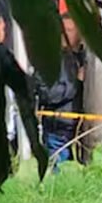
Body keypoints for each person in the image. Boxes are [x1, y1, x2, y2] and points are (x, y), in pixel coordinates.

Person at [37, 14, 86, 163]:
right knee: (58, 178)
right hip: (58, 130)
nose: (65, 34)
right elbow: (48, 94)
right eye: (63, 30)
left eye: (70, 30)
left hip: (81, 129)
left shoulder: (84, 56)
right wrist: (76, 82)